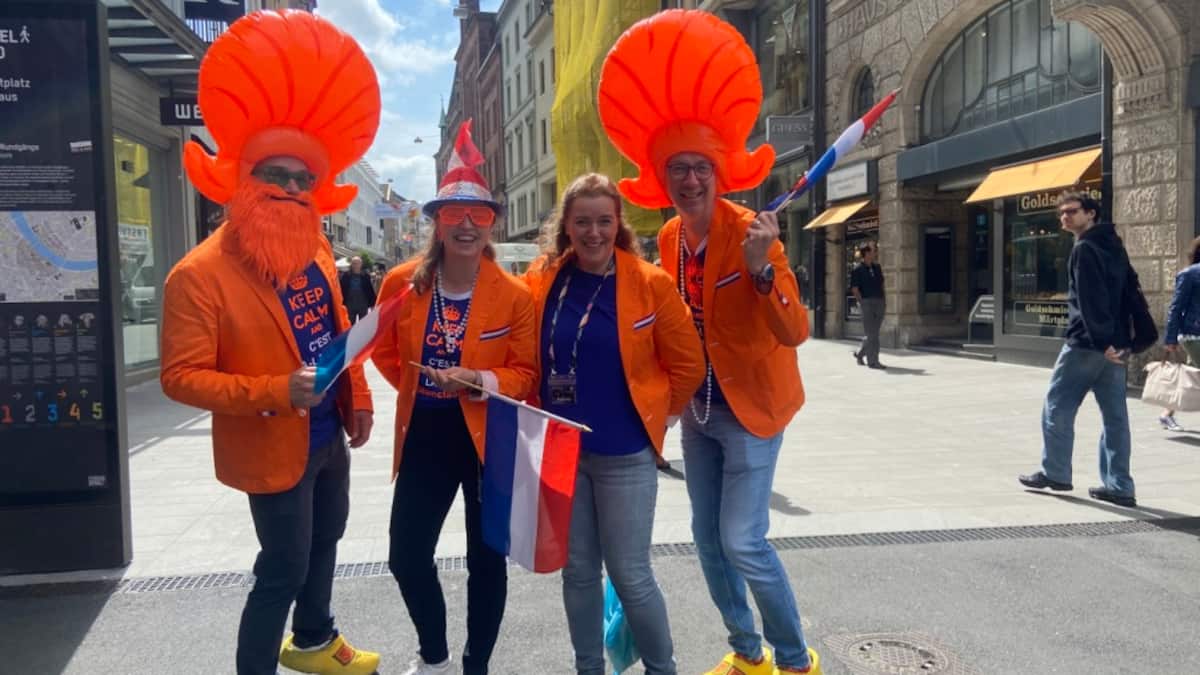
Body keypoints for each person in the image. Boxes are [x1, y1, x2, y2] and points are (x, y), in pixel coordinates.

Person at [595, 11, 822, 673]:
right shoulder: (667, 239)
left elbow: (796, 330)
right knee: (706, 541)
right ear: (663, 180)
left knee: (743, 540)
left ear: (718, 172)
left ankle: (793, 656)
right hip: (699, 414)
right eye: (678, 170)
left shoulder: (753, 229)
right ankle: (747, 652)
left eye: (699, 167)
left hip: (753, 409)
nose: (689, 179)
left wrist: (761, 267)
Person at [159, 10, 382, 674]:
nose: (290, 189)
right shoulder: (197, 275)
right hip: (271, 440)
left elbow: (338, 330)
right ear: (243, 178)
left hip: (326, 436)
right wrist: (274, 390)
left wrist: (358, 397)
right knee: (279, 568)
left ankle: (315, 640)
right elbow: (179, 376)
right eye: (275, 174)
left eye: (302, 179)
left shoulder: (314, 248)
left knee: (327, 542)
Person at [522, 173, 706, 675]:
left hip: (626, 454)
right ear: (566, 226)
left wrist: (659, 418)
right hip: (564, 452)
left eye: (604, 221)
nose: (594, 232)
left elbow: (689, 363)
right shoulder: (544, 278)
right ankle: (588, 667)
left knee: (630, 573)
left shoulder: (648, 282)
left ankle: (661, 668)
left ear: (618, 223)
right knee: (578, 572)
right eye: (583, 221)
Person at [371, 121, 537, 675]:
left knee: (487, 560)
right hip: (426, 435)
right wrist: (416, 390)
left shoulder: (514, 295)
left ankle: (476, 664)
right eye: (453, 215)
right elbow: (383, 351)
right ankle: (435, 654)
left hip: (490, 437)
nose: (467, 225)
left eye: (480, 216)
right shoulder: (401, 284)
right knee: (406, 555)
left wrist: (478, 382)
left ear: (491, 225)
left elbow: (525, 373)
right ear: (436, 222)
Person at [1019, 190, 1137, 508]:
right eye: (1062, 213)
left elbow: (1088, 300)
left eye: (1072, 211)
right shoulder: (1113, 245)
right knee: (1115, 418)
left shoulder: (1084, 248)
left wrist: (1102, 342)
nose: (1065, 217)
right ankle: (1120, 485)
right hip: (1115, 345)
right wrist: (1126, 340)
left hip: (1088, 344)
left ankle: (1055, 472)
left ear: (1091, 214)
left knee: (1057, 406)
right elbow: (1131, 293)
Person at [1158, 236, 1200, 430]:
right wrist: (1170, 338)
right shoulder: (1189, 274)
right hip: (1194, 334)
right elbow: (1176, 307)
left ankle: (1167, 414)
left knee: (1193, 377)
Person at [849, 242, 886, 369]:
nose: (875, 253)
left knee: (873, 333)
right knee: (872, 334)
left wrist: (883, 299)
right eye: (872, 251)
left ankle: (860, 354)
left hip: (879, 302)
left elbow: (881, 284)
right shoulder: (857, 269)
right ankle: (873, 361)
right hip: (867, 303)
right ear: (866, 254)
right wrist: (862, 302)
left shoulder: (877, 267)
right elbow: (854, 289)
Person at [339, 256, 377, 323]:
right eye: (354, 263)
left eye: (357, 263)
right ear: (351, 264)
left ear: (361, 264)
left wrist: (373, 304)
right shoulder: (346, 275)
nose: (356, 265)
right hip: (349, 304)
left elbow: (370, 290)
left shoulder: (366, 276)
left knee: (362, 324)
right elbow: (340, 289)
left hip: (362, 303)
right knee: (349, 324)